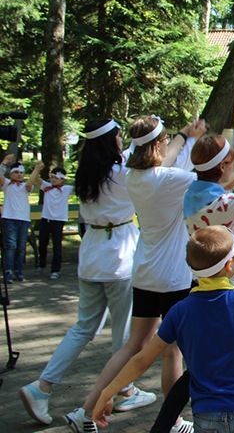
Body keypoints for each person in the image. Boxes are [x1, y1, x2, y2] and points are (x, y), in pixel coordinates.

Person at [64, 116, 204, 433]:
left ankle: (86, 410)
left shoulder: (132, 175)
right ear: (157, 145)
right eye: (165, 141)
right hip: (172, 277)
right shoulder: (171, 179)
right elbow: (211, 180)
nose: (169, 145)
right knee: (173, 350)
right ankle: (174, 421)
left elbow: (163, 161)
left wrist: (184, 136)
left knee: (132, 346)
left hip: (144, 273)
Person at [92, 226, 234, 433]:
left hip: (207, 414)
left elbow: (141, 360)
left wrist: (107, 392)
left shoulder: (180, 311)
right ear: (229, 265)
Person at [18, 119, 147, 426]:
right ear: (109, 141)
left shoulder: (85, 175)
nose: (120, 140)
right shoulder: (120, 176)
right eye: (117, 136)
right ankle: (122, 391)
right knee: (124, 336)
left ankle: (43, 386)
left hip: (90, 258)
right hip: (118, 260)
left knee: (82, 329)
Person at [149, 133, 234, 433]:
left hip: (200, 287)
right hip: (233, 287)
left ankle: (164, 423)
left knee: (198, 365)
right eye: (231, 163)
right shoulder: (225, 203)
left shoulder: (195, 193)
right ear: (223, 167)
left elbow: (224, 187)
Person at [1, 156, 43, 282]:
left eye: (21, 172)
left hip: (24, 220)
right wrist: (4, 163)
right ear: (10, 173)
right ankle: (8, 271)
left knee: (21, 247)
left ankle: (18, 271)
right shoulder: (7, 184)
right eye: (16, 172)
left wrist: (37, 169)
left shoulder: (26, 186)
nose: (19, 175)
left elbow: (30, 183)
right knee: (10, 246)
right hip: (9, 219)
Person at [38, 166, 74, 279]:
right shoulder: (46, 186)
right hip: (45, 219)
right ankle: (41, 265)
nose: (53, 180)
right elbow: (36, 179)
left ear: (62, 179)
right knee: (42, 244)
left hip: (58, 221)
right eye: (52, 177)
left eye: (56, 178)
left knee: (57, 245)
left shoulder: (66, 189)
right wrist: (37, 169)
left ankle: (55, 269)